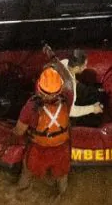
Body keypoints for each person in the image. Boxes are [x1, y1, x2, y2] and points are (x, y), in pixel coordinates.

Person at [13, 66, 71, 195]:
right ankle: (63, 196)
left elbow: (19, 131)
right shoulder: (67, 99)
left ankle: (18, 194)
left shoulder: (31, 107)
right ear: (60, 88)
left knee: (27, 173)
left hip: (39, 150)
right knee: (62, 177)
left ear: (39, 88)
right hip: (62, 149)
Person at [43, 46, 104, 126]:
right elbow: (71, 111)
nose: (86, 67)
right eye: (84, 65)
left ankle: (98, 93)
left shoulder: (64, 62)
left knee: (89, 91)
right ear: (77, 68)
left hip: (55, 91)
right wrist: (93, 109)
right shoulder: (70, 87)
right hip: (56, 112)